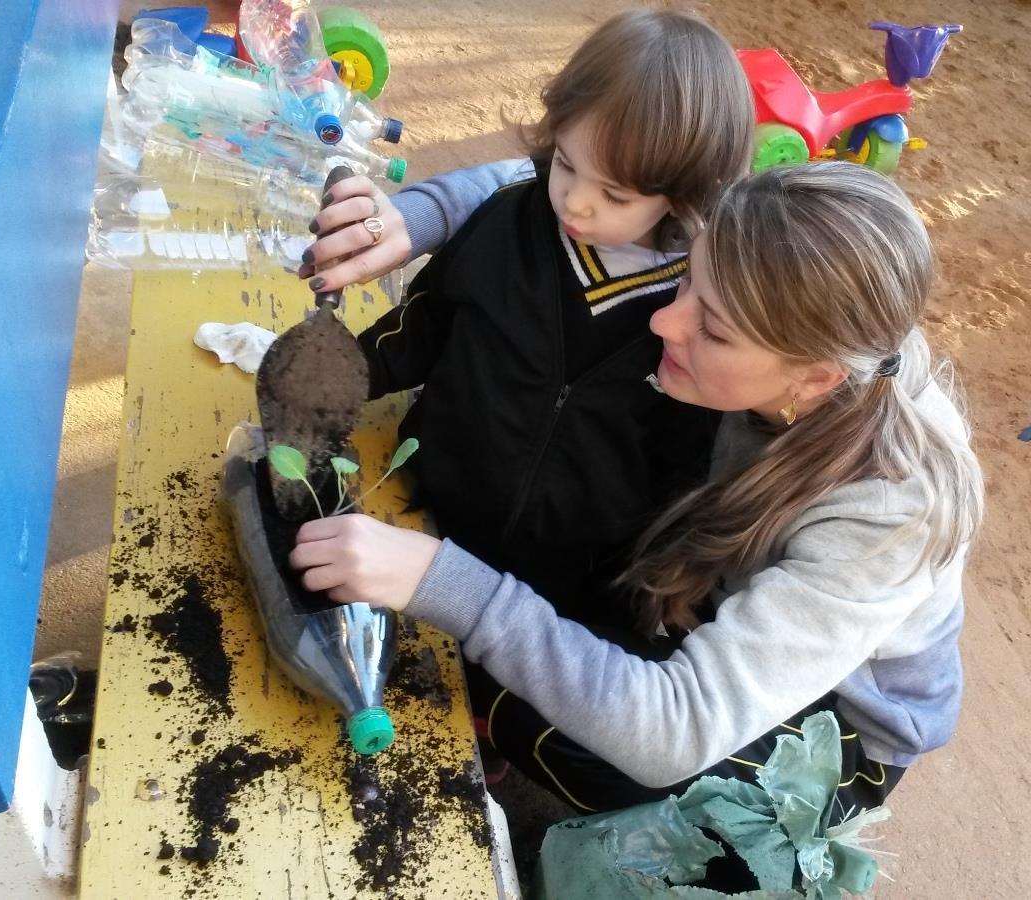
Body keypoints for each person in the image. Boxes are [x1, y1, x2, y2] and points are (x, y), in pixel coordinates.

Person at [290, 162, 985, 820]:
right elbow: (578, 176)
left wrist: (444, 581)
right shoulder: (764, 261)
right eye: (687, 283)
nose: (665, 322)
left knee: (590, 739)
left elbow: (674, 731)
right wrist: (412, 219)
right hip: (711, 585)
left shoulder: (891, 514)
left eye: (711, 328)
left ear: (816, 380)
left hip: (836, 731)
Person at [304, 9, 755, 622]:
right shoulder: (513, 218)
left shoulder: (686, 308)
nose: (576, 201)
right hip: (421, 501)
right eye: (567, 163)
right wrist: (347, 374)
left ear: (683, 195)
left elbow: (680, 463)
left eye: (616, 195)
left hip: (558, 579)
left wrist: (656, 576)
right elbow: (429, 317)